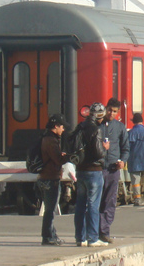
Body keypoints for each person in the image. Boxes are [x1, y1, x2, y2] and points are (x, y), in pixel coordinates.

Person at [74, 103, 109, 248]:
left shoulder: (80, 127)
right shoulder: (96, 130)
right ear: (99, 116)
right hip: (94, 171)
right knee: (93, 205)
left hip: (80, 170)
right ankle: (93, 238)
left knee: (80, 205)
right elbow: (98, 152)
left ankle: (80, 238)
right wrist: (105, 148)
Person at [98, 98, 129, 243]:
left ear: (118, 113)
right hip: (98, 168)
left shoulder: (120, 127)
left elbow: (126, 148)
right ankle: (93, 230)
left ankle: (104, 231)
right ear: (105, 109)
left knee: (109, 201)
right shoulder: (97, 125)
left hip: (112, 169)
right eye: (109, 110)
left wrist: (123, 160)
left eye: (115, 111)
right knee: (95, 201)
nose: (111, 113)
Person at [37, 114, 69, 245]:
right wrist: (66, 157)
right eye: (61, 127)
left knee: (50, 209)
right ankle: (47, 237)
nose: (63, 130)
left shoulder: (45, 138)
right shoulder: (51, 140)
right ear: (55, 127)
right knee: (50, 210)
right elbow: (57, 159)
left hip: (45, 177)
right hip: (50, 178)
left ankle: (52, 235)